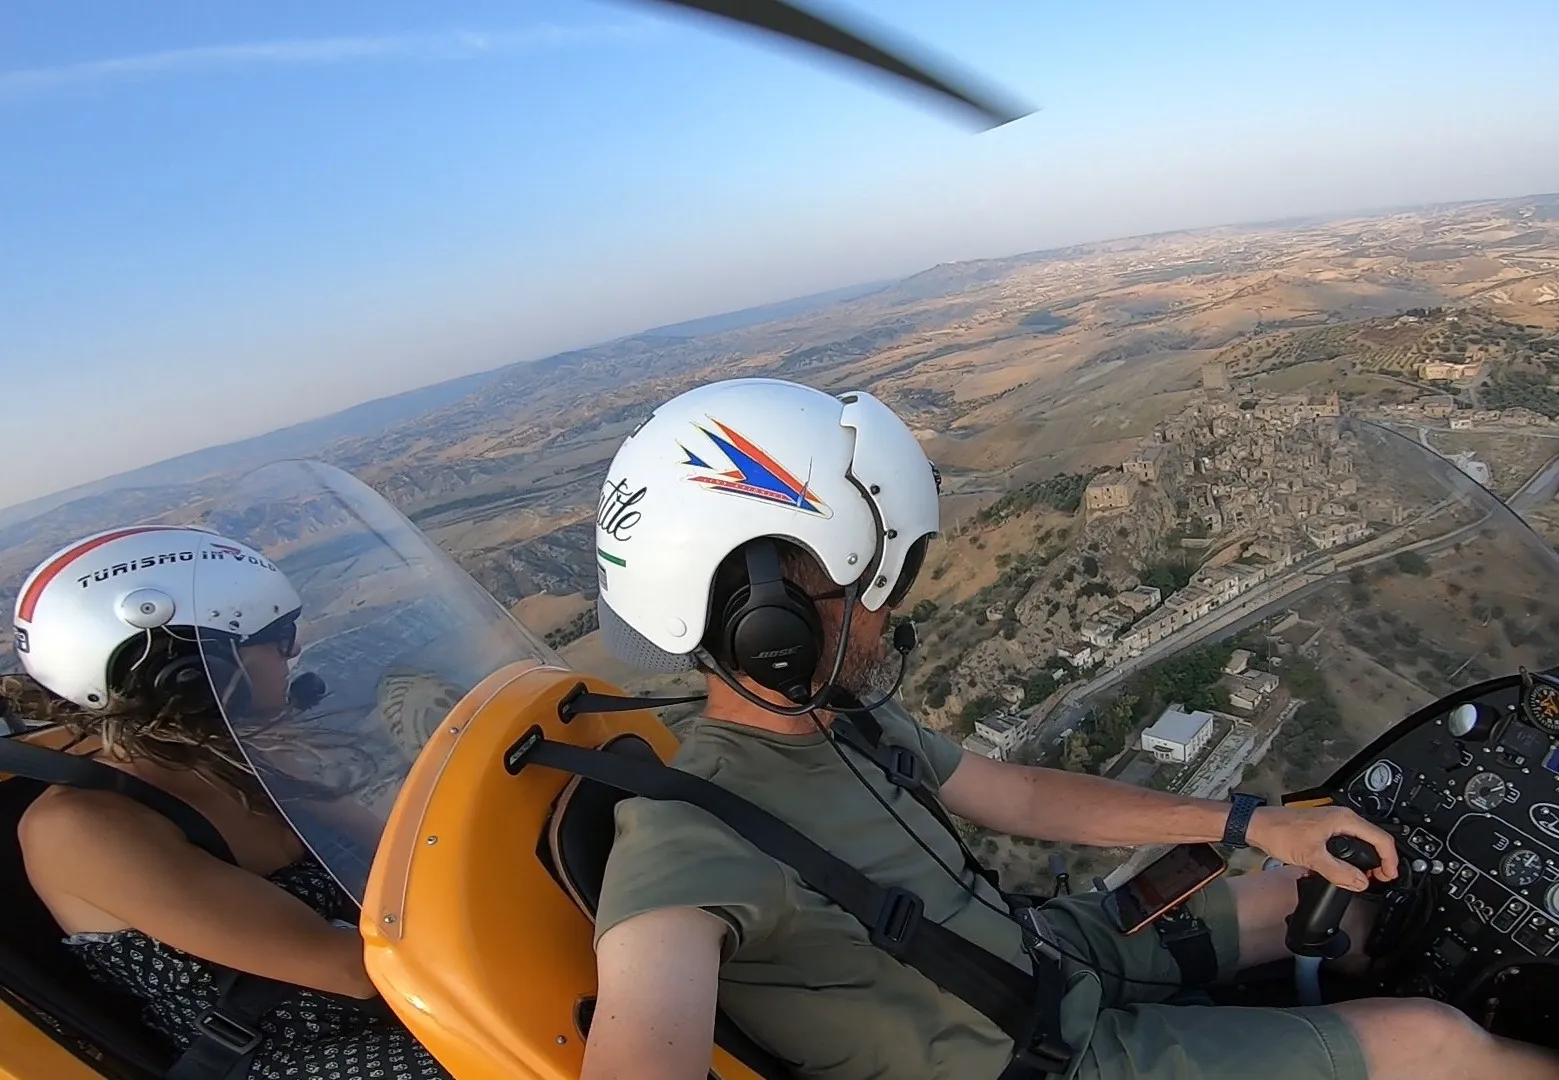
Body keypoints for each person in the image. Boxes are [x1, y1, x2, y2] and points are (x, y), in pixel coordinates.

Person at [580, 377, 1559, 1080]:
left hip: (1054, 950)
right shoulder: (682, 848)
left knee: (1340, 897)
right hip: (1052, 1057)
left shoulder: (843, 720)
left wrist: (1253, 825)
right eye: (867, 582)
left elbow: (1021, 795)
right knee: (1438, 1047)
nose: (892, 612)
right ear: (770, 627)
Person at [9, 525, 452, 1080]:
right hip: (306, 1052)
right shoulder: (81, 829)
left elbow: (404, 861)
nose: (293, 652)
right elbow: (348, 969)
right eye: (278, 635)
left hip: (405, 1001)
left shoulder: (235, 759)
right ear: (188, 668)